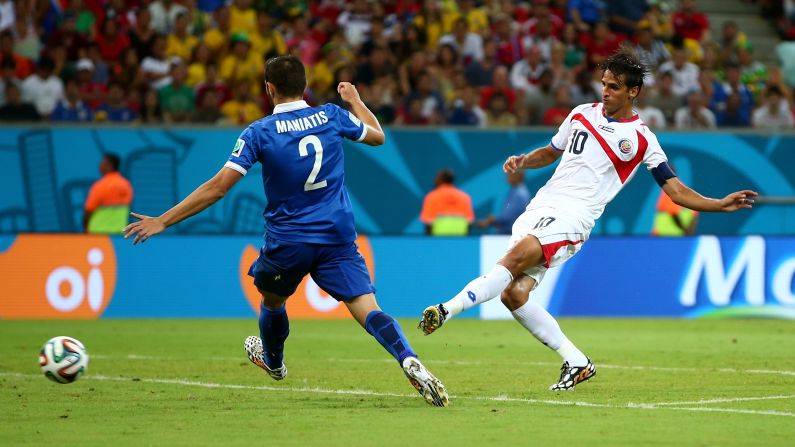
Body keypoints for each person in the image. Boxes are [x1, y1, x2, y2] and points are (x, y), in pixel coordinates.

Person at [418, 47, 757, 391]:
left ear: (633, 91)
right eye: (604, 84)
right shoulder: (581, 113)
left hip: (575, 217)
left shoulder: (642, 139)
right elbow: (551, 151)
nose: (605, 92)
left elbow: (676, 191)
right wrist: (523, 161)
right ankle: (577, 362)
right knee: (514, 295)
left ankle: (446, 310)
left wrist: (718, 204)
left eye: (613, 87)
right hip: (541, 207)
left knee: (514, 259)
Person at [123, 55, 448, 407]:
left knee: (272, 301)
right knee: (367, 307)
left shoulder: (258, 133)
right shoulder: (331, 115)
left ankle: (274, 363)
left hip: (288, 241)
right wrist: (354, 100)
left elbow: (218, 188)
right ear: (305, 86)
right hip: (336, 238)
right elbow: (378, 137)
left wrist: (162, 220)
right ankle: (407, 357)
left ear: (269, 88)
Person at [84, 153, 133, 233]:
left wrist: (85, 228)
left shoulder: (100, 185)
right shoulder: (126, 185)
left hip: (98, 232)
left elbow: (88, 210)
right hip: (119, 232)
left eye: (102, 163)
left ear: (109, 166)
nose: (100, 166)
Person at [420, 168, 475, 236]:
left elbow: (428, 224)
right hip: (460, 240)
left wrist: (430, 242)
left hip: (438, 240)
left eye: (436, 178)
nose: (434, 180)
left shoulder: (431, 197)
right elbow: (469, 223)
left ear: (441, 180)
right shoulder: (465, 197)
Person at [476, 170, 531, 235]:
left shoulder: (519, 194)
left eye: (509, 174)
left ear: (518, 176)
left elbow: (506, 218)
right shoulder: (517, 191)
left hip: (511, 236)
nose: (507, 177)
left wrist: (490, 220)